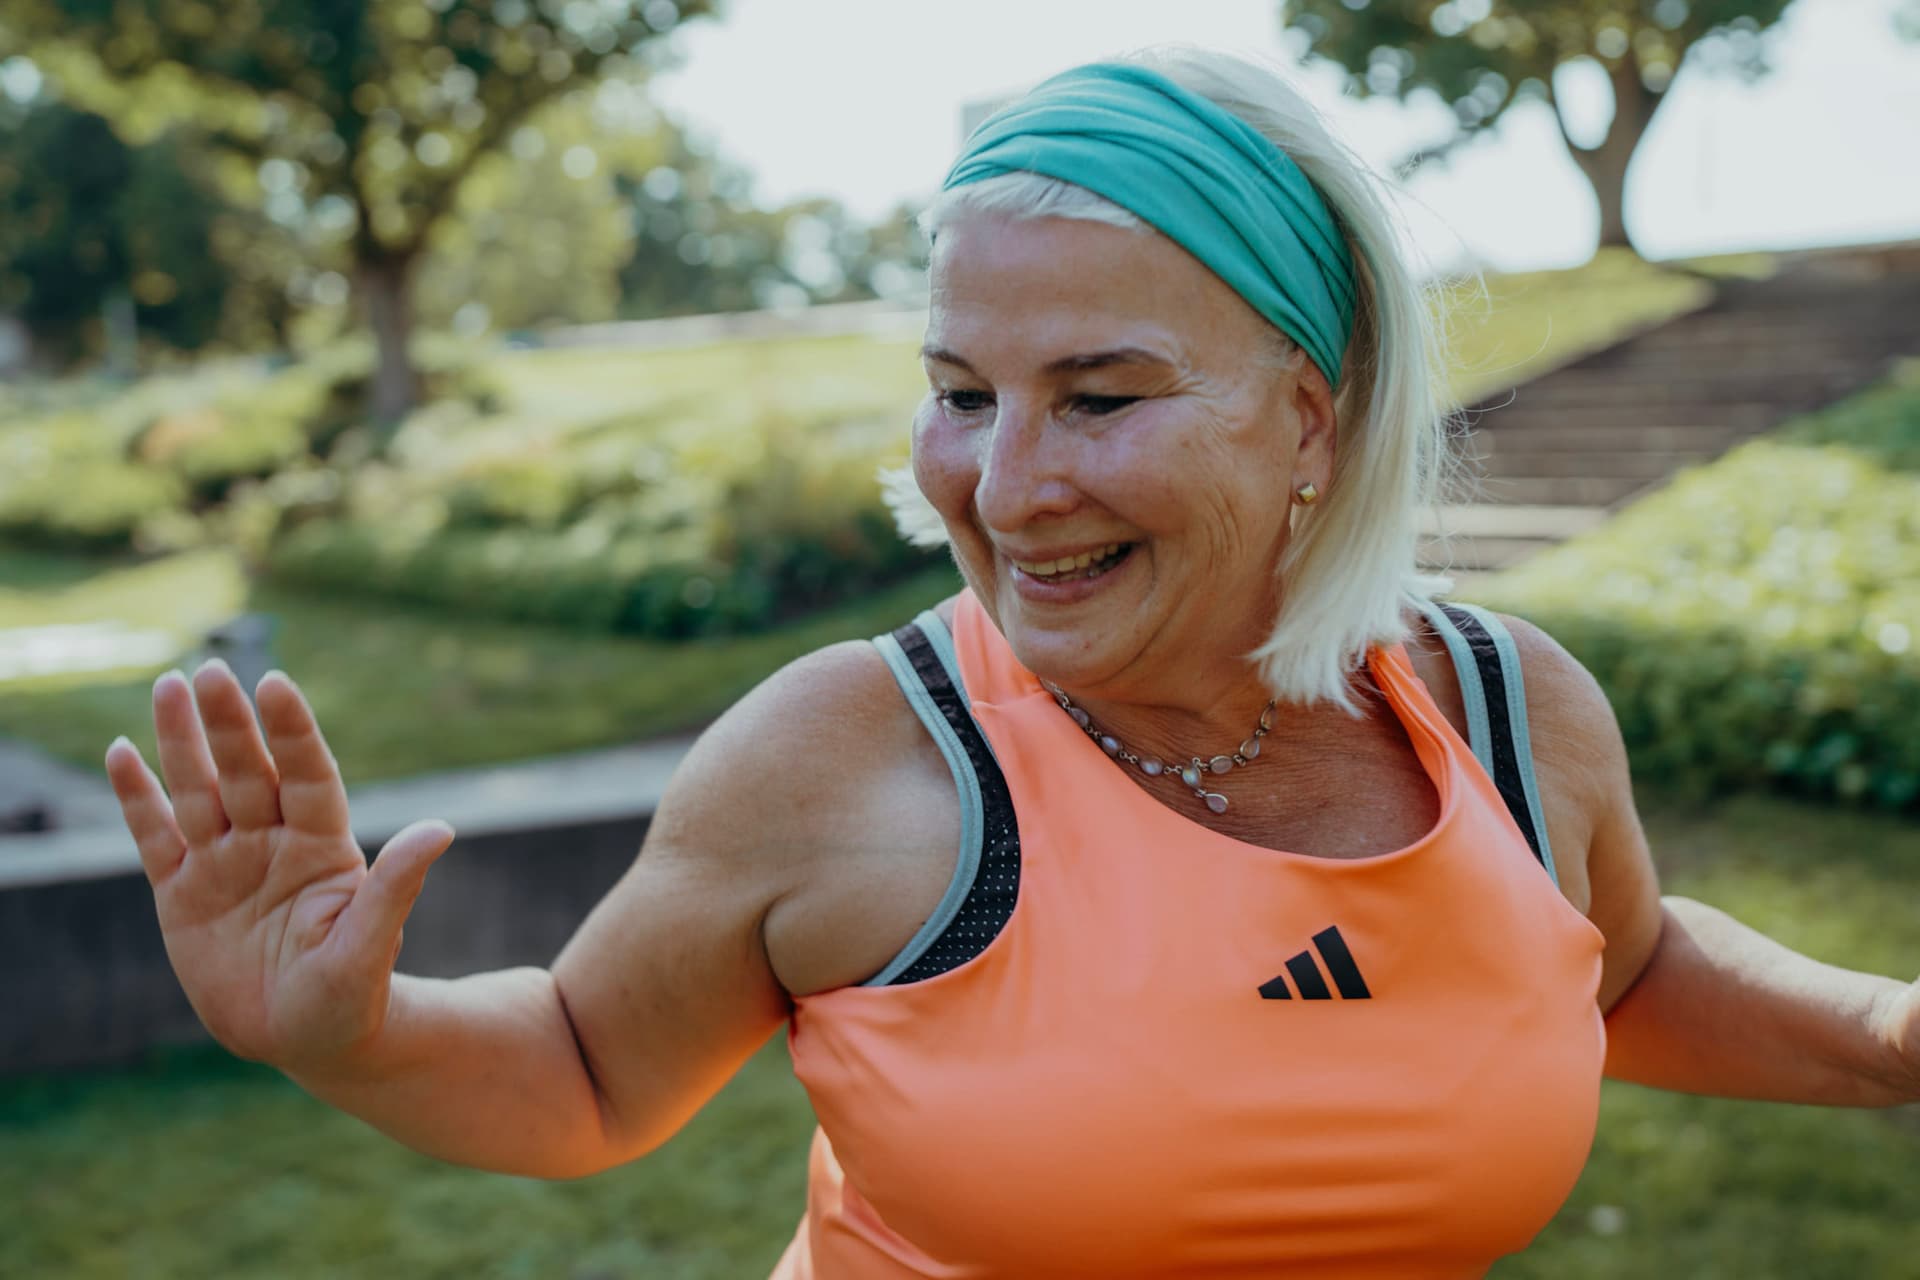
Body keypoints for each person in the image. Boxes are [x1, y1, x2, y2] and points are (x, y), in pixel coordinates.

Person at [105, 46, 1920, 1280]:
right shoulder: (850, 758)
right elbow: (585, 1066)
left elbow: (1613, 966)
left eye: (1102, 397)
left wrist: (1891, 1034)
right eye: (962, 393)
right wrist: (347, 1036)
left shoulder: (1513, 715)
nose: (1007, 480)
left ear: (1316, 411)